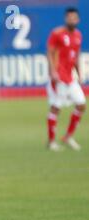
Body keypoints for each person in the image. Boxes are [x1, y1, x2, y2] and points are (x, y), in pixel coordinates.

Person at [46, 7, 86, 151]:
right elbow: (50, 53)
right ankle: (51, 142)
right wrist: (52, 72)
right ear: (65, 18)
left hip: (70, 78)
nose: (71, 20)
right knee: (56, 107)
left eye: (74, 18)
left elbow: (75, 55)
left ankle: (68, 137)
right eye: (69, 17)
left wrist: (79, 73)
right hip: (59, 77)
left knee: (81, 105)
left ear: (78, 19)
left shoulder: (78, 35)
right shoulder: (57, 33)